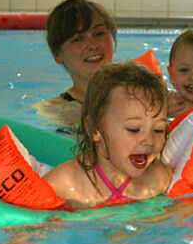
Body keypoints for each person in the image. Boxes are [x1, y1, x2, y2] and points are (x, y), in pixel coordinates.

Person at [44, 62, 172, 208]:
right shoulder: (63, 185)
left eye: (158, 130)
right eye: (134, 129)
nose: (149, 141)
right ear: (95, 130)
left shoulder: (159, 179)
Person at [33, 0, 117, 132]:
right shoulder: (54, 111)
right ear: (58, 55)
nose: (93, 45)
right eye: (77, 39)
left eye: (99, 33)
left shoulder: (141, 93)